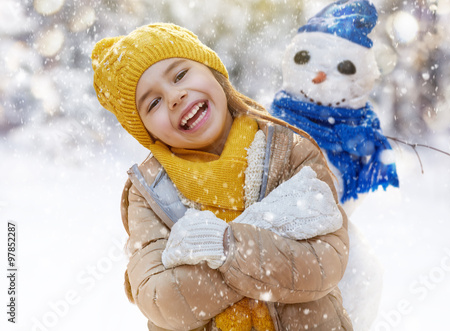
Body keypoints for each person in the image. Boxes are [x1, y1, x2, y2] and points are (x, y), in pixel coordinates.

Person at [91, 23, 352, 331]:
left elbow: (324, 263)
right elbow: (161, 300)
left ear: (212, 70)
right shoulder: (149, 194)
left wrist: (225, 245)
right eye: (153, 103)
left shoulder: (291, 152)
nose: (175, 96)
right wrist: (263, 247)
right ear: (146, 131)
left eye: (180, 74)